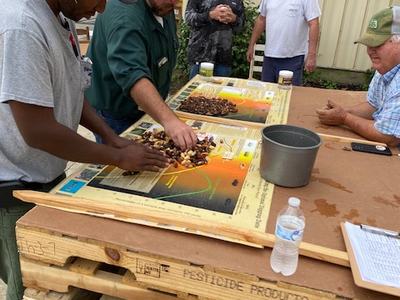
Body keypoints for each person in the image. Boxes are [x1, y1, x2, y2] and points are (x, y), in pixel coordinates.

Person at [0, 1, 170, 299]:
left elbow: (73, 91)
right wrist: (117, 156)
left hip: (46, 177)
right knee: (30, 283)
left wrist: (111, 136)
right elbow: (37, 131)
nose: (102, 8)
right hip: (12, 189)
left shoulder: (62, 17)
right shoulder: (22, 25)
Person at [85, 0, 197, 150]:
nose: (175, 3)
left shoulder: (163, 6)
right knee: (122, 167)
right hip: (116, 114)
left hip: (146, 109)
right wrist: (170, 120)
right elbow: (132, 74)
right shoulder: (125, 16)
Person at [317, 7, 400, 147]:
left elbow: (388, 136)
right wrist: (341, 112)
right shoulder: (385, 67)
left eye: (377, 44)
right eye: (368, 44)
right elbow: (373, 105)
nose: (370, 50)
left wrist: (344, 117)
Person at [246, 0, 320, 85]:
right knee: (267, 94)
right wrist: (251, 45)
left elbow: (314, 23)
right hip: (269, 58)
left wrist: (312, 55)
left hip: (292, 59)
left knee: (289, 94)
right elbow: (261, 19)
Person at [185, 0, 245, 79]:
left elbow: (241, 26)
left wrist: (234, 19)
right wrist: (210, 15)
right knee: (197, 89)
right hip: (200, 56)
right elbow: (188, 19)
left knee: (220, 90)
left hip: (223, 58)